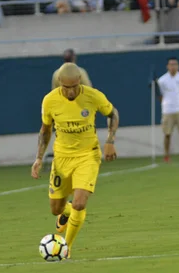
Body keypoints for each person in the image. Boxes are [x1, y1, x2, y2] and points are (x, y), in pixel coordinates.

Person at [31, 63, 119, 258]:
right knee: (56, 209)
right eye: (66, 87)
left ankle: (66, 247)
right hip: (62, 158)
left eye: (73, 87)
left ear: (79, 81)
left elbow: (113, 114)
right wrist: (38, 158)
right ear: (59, 83)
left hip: (88, 155)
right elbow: (45, 131)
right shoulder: (50, 101)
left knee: (80, 203)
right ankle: (67, 211)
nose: (70, 92)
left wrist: (110, 141)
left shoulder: (93, 95)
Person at [157, 57, 179, 162]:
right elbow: (159, 95)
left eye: (175, 64)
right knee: (167, 133)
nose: (173, 66)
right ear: (167, 66)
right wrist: (167, 103)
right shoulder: (162, 80)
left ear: (178, 66)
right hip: (167, 110)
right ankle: (166, 155)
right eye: (171, 64)